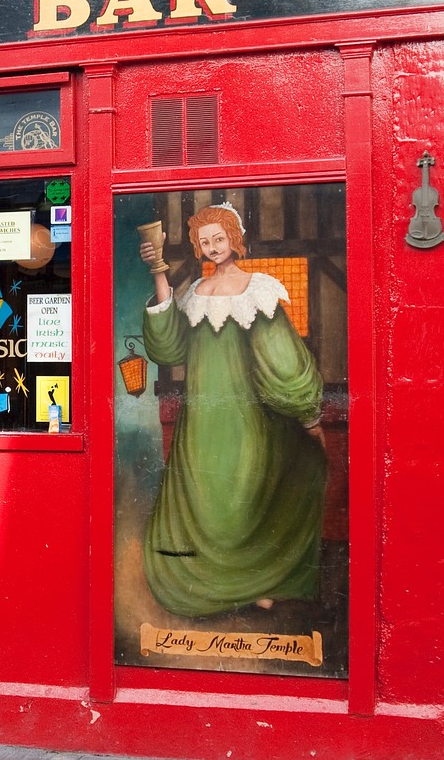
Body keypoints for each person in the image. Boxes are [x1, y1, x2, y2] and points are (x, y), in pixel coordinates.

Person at [138, 203, 327, 617]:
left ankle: (256, 583)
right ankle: (219, 589)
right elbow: (169, 348)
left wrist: (307, 411)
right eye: (204, 242)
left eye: (218, 239)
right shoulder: (195, 295)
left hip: (249, 418)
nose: (212, 247)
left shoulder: (258, 290)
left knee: (243, 498)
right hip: (202, 423)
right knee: (207, 500)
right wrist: (159, 272)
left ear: (234, 239)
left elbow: (283, 359)